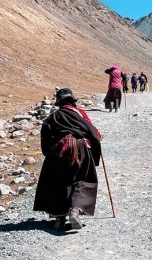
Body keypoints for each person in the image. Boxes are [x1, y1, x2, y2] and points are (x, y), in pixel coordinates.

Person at [34, 88, 102, 231]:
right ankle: (75, 211)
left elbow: (45, 143)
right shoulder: (80, 113)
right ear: (72, 100)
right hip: (80, 149)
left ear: (59, 102)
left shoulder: (52, 117)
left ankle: (59, 218)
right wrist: (95, 156)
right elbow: (94, 134)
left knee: (58, 182)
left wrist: (50, 157)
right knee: (82, 180)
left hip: (59, 152)